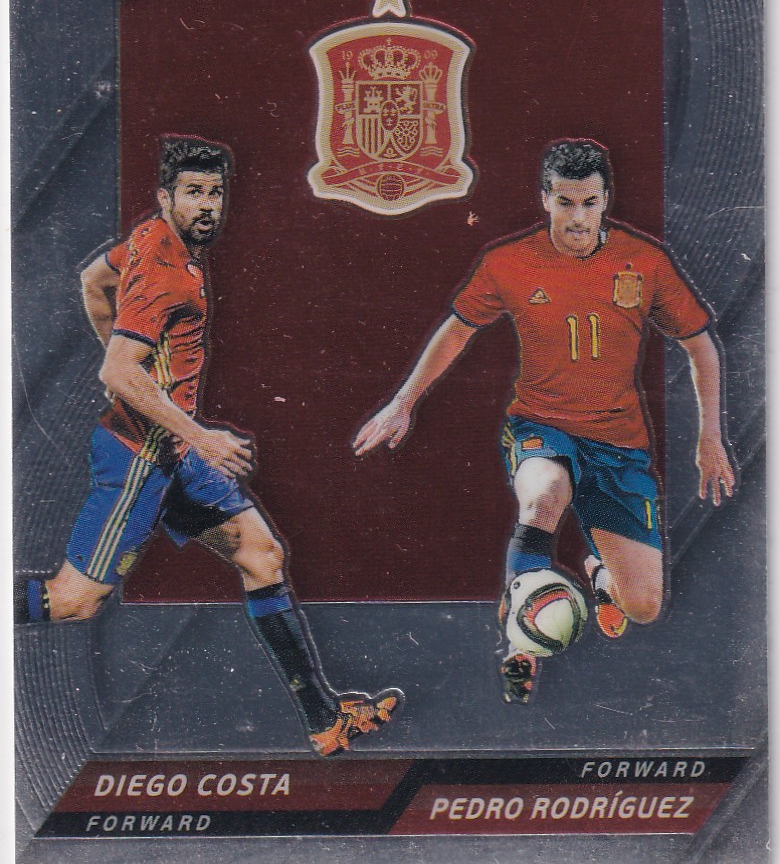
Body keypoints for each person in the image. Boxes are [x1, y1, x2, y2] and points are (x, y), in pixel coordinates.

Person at [15, 135, 400, 756]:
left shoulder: (152, 239)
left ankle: (324, 720)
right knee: (75, 602)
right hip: (141, 459)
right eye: (193, 192)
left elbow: (93, 281)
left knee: (261, 554)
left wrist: (150, 386)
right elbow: (117, 371)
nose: (206, 205)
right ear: (166, 197)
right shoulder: (165, 275)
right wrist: (196, 433)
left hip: (175, 452)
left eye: (215, 193)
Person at [354, 139, 735, 703]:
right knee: (543, 495)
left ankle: (599, 575)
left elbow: (700, 345)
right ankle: (521, 645)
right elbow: (457, 331)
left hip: (619, 444)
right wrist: (403, 402)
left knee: (643, 607)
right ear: (545, 199)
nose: (578, 218)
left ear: (606, 199)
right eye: (565, 202)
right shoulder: (508, 262)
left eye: (589, 203)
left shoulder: (645, 261)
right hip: (542, 425)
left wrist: (710, 437)